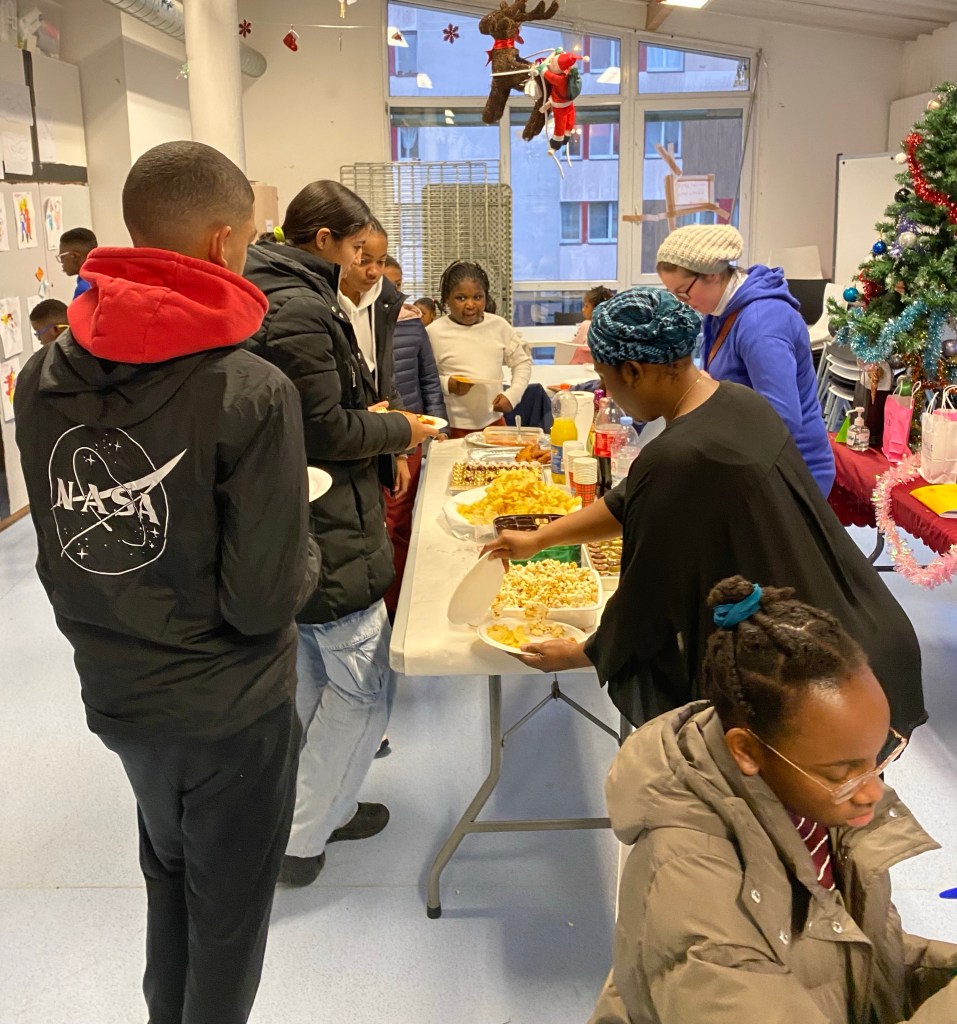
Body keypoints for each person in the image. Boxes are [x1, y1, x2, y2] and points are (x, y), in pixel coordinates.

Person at [14, 141, 319, 1024]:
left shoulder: (41, 375)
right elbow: (262, 599)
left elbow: (61, 550)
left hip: (117, 691)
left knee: (171, 874)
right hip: (231, 706)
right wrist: (305, 554)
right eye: (252, 237)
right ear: (224, 243)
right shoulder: (249, 389)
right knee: (228, 919)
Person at [484, 287, 925, 741]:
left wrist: (583, 654)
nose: (606, 392)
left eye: (604, 378)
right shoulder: (738, 401)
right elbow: (631, 498)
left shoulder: (682, 455)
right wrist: (540, 538)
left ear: (633, 371)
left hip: (822, 675)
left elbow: (647, 598)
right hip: (864, 626)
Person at [589, 576, 957, 1024]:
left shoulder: (812, 799)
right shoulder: (691, 888)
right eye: (841, 771)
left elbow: (848, 953)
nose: (873, 791)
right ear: (747, 751)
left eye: (877, 756)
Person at [244, 180, 437, 887]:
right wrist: (398, 430)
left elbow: (319, 408)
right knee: (361, 686)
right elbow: (323, 430)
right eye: (360, 250)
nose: (368, 266)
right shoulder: (299, 305)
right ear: (323, 240)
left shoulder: (288, 292)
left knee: (315, 678)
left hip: (305, 514)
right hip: (324, 519)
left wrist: (375, 417)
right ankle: (300, 838)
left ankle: (316, 808)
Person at [656, 224, 835, 496]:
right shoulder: (721, 310)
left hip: (789, 473)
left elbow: (780, 420)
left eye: (683, 292)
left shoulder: (761, 324)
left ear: (712, 274)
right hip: (758, 459)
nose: (682, 302)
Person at [378, 249, 447, 621]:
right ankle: (389, 602)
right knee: (388, 520)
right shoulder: (361, 324)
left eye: (398, 285)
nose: (392, 294)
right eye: (384, 285)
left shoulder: (412, 324)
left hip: (414, 433)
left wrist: (439, 426)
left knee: (406, 516)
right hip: (381, 437)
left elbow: (428, 379)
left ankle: (404, 596)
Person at [427, 260, 531, 438]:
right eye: (461, 298)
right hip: (451, 427)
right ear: (446, 299)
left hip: (494, 425)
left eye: (477, 297)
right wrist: (448, 384)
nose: (470, 304)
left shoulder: (499, 326)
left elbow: (522, 362)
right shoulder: (433, 333)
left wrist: (513, 395)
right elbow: (423, 379)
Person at [570, 285, 614, 364]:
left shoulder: (586, 324)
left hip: (581, 366)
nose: (583, 309)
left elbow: (574, 345)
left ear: (596, 309)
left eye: (586, 306)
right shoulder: (611, 325)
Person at [57, 226, 98, 298]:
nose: (61, 261)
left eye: (62, 256)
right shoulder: (104, 277)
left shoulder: (84, 289)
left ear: (74, 257)